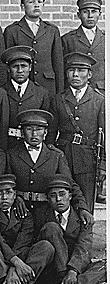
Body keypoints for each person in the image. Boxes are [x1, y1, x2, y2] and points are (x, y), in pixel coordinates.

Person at [6, 109, 93, 225]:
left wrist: (83, 208)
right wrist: (16, 198)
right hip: (20, 210)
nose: (34, 134)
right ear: (22, 132)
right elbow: (6, 183)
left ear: (45, 132)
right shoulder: (11, 155)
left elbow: (70, 184)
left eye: (39, 129)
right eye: (29, 129)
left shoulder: (56, 155)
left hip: (47, 211)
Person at [36, 175, 107, 284]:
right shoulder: (40, 215)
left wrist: (73, 271)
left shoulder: (83, 218)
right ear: (47, 199)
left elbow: (83, 247)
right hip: (51, 270)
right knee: (52, 227)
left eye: (62, 194)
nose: (58, 199)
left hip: (74, 268)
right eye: (53, 195)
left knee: (106, 265)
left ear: (70, 196)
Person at [50, 52, 105, 213]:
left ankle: (84, 237)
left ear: (89, 74)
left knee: (86, 205)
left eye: (81, 70)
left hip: (88, 159)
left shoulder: (99, 101)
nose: (75, 74)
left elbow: (105, 136)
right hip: (63, 156)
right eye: (71, 70)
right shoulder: (58, 99)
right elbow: (51, 133)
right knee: (61, 201)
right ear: (66, 73)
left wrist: (103, 166)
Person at [3, 0, 64, 95]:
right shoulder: (12, 31)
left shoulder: (52, 30)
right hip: (22, 86)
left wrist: (59, 92)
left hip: (47, 86)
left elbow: (58, 64)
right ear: (22, 6)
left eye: (39, 2)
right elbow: (7, 63)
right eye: (31, 2)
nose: (36, 5)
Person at [0, 45, 51, 149]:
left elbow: (47, 125)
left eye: (23, 66)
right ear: (8, 69)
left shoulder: (41, 93)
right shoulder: (0, 92)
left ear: (30, 67)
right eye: (15, 66)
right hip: (7, 145)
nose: (20, 70)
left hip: (31, 145)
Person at [62, 0, 105, 93]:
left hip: (102, 93)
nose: (90, 16)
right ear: (79, 15)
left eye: (94, 11)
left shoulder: (106, 39)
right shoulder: (68, 39)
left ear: (100, 14)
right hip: (75, 92)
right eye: (85, 12)